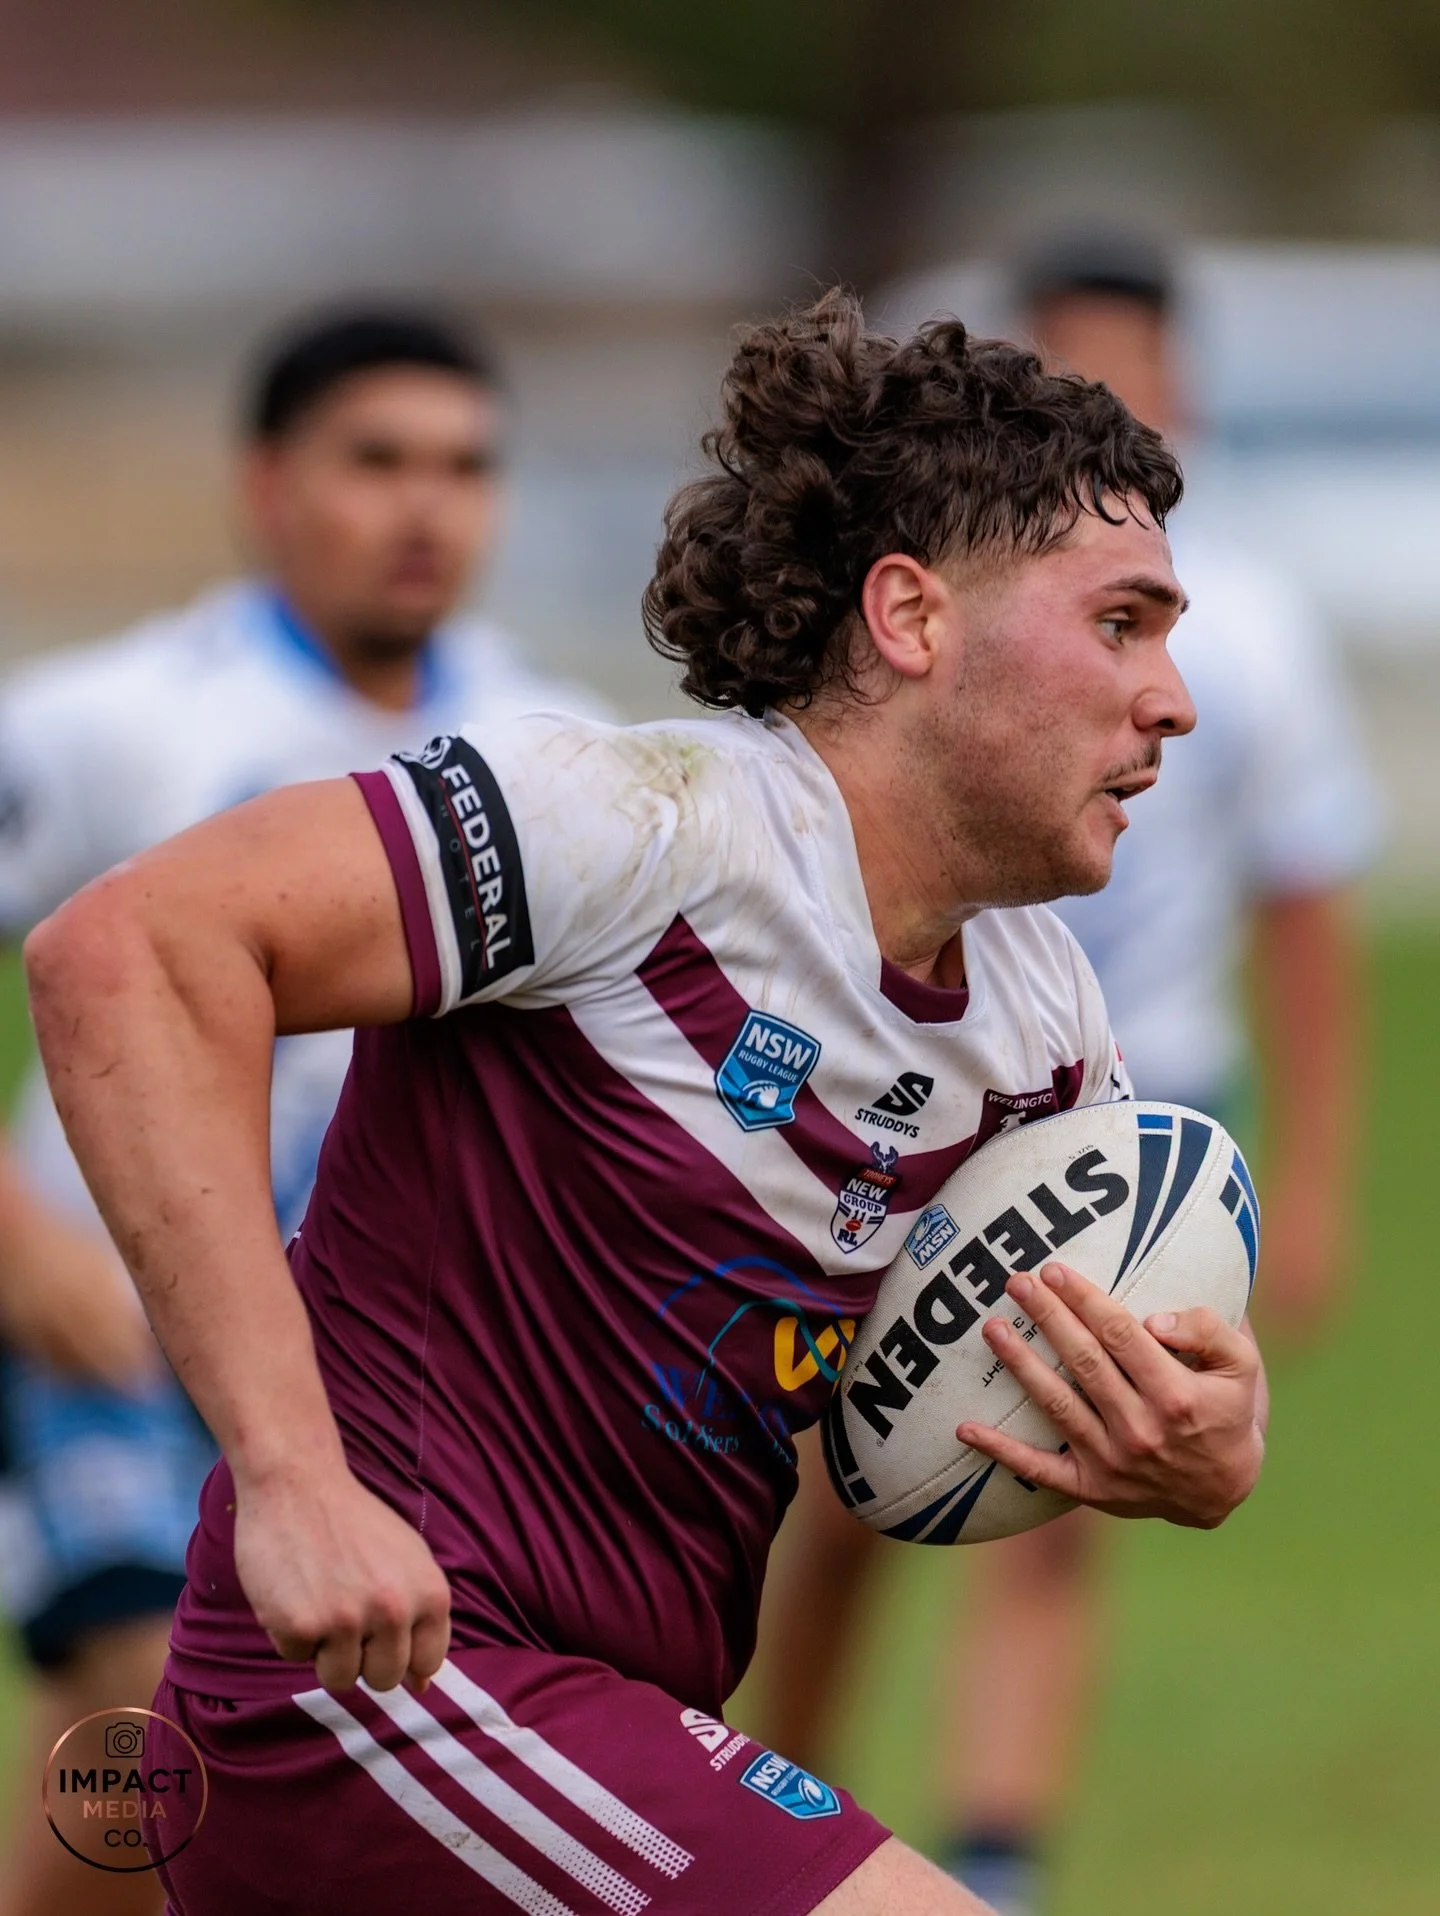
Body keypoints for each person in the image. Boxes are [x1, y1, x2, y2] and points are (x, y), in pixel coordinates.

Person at [25, 288, 1268, 1916]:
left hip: (616, 1719)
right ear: (910, 617)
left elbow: (978, 1383)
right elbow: (125, 950)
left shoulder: (1044, 1024)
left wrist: (1199, 1442)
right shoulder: (632, 824)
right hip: (390, 1690)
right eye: (1123, 622)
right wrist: (296, 1481)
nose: (1174, 695)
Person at [758, 240, 1378, 1916]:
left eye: (1137, 369)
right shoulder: (970, 612)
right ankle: (765, 1806)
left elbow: (1310, 914)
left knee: (1054, 1483)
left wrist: (1313, 1179)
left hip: (1134, 1109)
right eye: (1074, 364)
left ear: (1191, 391)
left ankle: (1000, 1856)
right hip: (901, 1082)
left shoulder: (1249, 637)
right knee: (838, 1505)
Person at [0, 305, 607, 1916]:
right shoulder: (115, 721)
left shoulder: (557, 754)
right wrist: (17, 1243)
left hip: (377, 1361)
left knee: (127, 1789)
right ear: (268, 486)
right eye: (378, 461)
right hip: (113, 1337)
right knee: (173, 1735)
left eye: (466, 469)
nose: (426, 508)